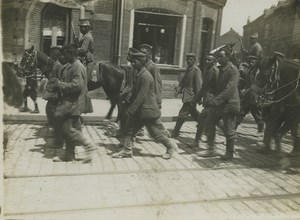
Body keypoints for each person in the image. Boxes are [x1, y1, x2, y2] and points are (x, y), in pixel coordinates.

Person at [112, 52, 178, 159]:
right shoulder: (140, 74)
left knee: (155, 133)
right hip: (141, 111)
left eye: (135, 62)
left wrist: (131, 109)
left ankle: (170, 147)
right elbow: (135, 93)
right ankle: (127, 150)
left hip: (148, 110)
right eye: (132, 61)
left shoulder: (146, 76)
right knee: (129, 129)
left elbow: (141, 96)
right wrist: (126, 101)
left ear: (141, 62)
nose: (132, 63)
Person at [52, 44, 96, 163]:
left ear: (71, 54)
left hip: (73, 103)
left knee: (67, 130)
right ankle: (69, 155)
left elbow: (77, 86)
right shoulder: (71, 66)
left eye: (65, 54)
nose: (63, 56)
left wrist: (60, 84)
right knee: (73, 129)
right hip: (71, 102)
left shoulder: (77, 66)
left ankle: (89, 146)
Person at [203, 46, 240, 160]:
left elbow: (229, 89)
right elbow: (217, 87)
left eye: (221, 56)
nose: (218, 59)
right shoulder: (221, 69)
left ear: (228, 57)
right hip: (220, 104)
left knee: (229, 130)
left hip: (229, 104)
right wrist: (210, 97)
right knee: (209, 123)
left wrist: (215, 101)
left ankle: (229, 153)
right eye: (217, 57)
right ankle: (211, 149)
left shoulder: (233, 70)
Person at [172, 53, 203, 137]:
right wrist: (178, 90)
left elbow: (199, 86)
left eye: (191, 59)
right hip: (187, 96)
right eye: (188, 59)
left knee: (182, 114)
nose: (189, 61)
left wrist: (199, 98)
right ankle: (206, 127)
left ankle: (175, 132)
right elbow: (182, 82)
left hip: (191, 97)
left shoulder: (196, 70)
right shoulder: (188, 70)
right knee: (195, 115)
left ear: (194, 60)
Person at [192, 54, 219, 150]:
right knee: (201, 121)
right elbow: (204, 87)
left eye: (209, 60)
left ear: (214, 61)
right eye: (206, 59)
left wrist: (215, 100)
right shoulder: (207, 71)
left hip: (212, 101)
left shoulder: (215, 71)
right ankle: (197, 141)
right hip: (207, 100)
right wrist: (197, 98)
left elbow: (218, 87)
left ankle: (211, 146)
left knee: (208, 123)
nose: (207, 61)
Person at [236, 55, 264, 134]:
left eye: (253, 62)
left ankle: (261, 131)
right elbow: (245, 77)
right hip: (247, 96)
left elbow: (258, 85)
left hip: (255, 97)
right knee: (240, 113)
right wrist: (241, 69)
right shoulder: (250, 70)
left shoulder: (259, 73)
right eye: (250, 62)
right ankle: (232, 131)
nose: (251, 64)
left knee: (258, 116)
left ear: (257, 62)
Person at [44, 46, 65, 148]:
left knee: (52, 112)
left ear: (56, 56)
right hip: (54, 94)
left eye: (52, 55)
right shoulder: (55, 65)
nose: (50, 57)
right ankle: (57, 136)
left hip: (57, 95)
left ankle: (59, 140)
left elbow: (59, 80)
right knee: (50, 112)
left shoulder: (58, 66)